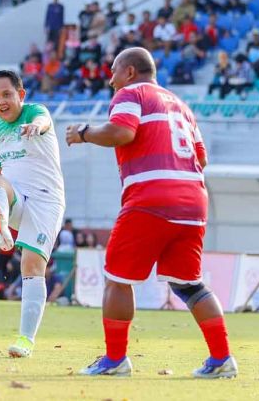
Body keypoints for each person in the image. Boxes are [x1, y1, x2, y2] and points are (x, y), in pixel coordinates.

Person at [65, 47, 237, 379]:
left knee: (117, 279)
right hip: (194, 201)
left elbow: (122, 133)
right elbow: (201, 160)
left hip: (152, 198)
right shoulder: (183, 107)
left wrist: (84, 133)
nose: (111, 79)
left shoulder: (130, 93)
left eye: (114, 71)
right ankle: (222, 359)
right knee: (189, 284)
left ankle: (115, 360)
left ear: (130, 72)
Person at [0, 70, 65, 358]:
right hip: (16, 196)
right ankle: (0, 228)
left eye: (7, 94)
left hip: (45, 201)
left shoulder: (35, 112)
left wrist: (35, 127)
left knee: (31, 267)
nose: (1, 101)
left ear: (21, 94)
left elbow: (43, 122)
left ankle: (25, 340)